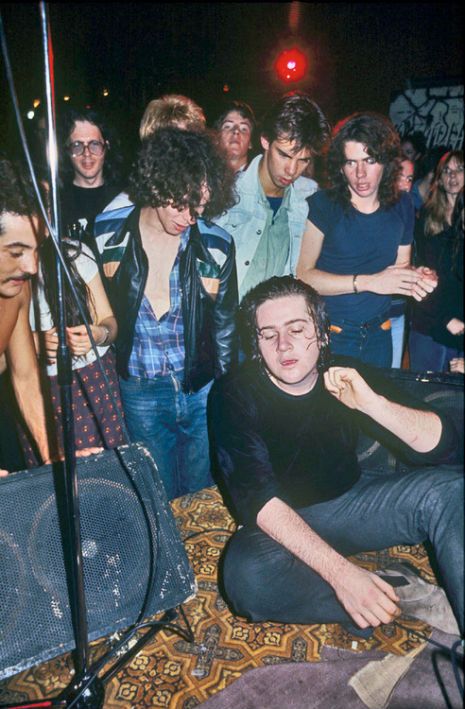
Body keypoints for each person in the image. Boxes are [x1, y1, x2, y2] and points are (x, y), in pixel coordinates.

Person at [208, 276, 463, 636]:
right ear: (256, 343)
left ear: (323, 334)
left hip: (352, 503)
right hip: (282, 523)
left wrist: (375, 406)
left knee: (452, 491)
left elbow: (445, 445)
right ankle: (397, 594)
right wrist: (343, 576)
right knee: (244, 577)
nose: (284, 345)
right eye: (268, 334)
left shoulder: (343, 372)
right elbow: (258, 500)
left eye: (297, 329)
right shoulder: (233, 393)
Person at [94, 127, 237, 499]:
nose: (190, 218)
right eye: (181, 204)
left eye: (200, 207)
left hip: (199, 387)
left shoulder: (217, 244)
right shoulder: (110, 235)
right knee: (155, 495)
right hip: (140, 388)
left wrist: (223, 393)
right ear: (157, 184)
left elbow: (225, 326)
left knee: (201, 493)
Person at [297, 112, 437, 368]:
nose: (360, 173)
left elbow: (399, 269)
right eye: (351, 162)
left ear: (385, 162)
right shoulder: (324, 204)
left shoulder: (402, 204)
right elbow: (304, 276)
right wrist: (370, 282)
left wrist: (418, 276)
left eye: (369, 160)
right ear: (340, 166)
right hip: (332, 333)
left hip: (380, 332)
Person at [215, 92, 330, 300]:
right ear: (265, 141)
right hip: (230, 324)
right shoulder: (226, 193)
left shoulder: (310, 197)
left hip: (281, 325)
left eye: (303, 160)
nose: (292, 169)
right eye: (284, 155)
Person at [30, 233, 125, 460]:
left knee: (110, 464)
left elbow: (109, 321)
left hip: (96, 378)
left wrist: (99, 334)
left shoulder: (74, 252)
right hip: (42, 386)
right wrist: (32, 341)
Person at [0, 158, 50, 475]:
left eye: (37, 249)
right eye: (17, 252)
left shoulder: (17, 288)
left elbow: (26, 376)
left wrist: (53, 455)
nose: (32, 267)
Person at [103, 94, 206, 213]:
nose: (181, 151)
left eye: (189, 142)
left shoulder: (204, 201)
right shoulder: (120, 210)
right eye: (172, 142)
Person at [409, 152, 464, 372]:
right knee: (425, 395)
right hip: (431, 320)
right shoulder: (427, 216)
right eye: (447, 171)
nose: (453, 176)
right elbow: (422, 274)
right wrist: (444, 318)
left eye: (459, 169)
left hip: (459, 325)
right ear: (439, 178)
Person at [59, 107, 123, 245]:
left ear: (106, 147)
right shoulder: (56, 201)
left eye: (94, 144)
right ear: (67, 151)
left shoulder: (124, 199)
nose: (87, 153)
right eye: (77, 146)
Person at [389, 158, 415, 368]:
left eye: (410, 179)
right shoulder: (374, 210)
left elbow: (404, 264)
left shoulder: (407, 208)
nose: (406, 184)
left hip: (398, 309)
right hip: (373, 313)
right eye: (401, 177)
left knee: (393, 375)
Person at [214, 100, 256, 173]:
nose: (236, 131)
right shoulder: (203, 179)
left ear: (250, 142)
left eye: (244, 129)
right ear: (217, 138)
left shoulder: (258, 180)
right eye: (228, 126)